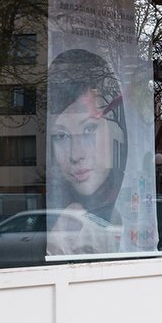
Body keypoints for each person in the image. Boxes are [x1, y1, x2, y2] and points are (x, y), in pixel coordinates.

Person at [46, 48, 127, 255]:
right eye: (61, 136)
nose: (76, 154)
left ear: (117, 130)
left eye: (89, 129)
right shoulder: (53, 219)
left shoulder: (134, 207)